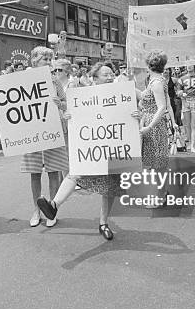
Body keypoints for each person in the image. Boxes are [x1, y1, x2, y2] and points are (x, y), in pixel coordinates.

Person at [37, 63, 142, 240]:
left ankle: (103, 223)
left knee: (109, 187)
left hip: (113, 148)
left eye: (111, 74)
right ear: (94, 78)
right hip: (91, 147)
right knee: (76, 173)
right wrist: (67, 114)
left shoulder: (121, 94)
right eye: (105, 75)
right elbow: (72, 113)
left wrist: (136, 116)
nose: (109, 77)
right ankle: (53, 206)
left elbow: (136, 110)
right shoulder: (83, 97)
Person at [21, 47, 68, 228]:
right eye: (45, 59)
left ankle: (51, 209)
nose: (49, 62)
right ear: (34, 61)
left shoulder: (54, 80)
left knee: (53, 170)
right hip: (32, 131)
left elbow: (65, 103)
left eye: (50, 59)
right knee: (34, 172)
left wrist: (60, 103)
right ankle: (36, 210)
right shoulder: (22, 80)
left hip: (52, 129)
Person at [140, 52, 177, 203]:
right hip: (153, 122)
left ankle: (160, 195)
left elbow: (162, 107)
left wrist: (149, 126)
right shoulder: (159, 80)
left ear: (149, 65)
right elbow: (166, 104)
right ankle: (161, 192)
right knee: (155, 162)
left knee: (157, 162)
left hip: (153, 124)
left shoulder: (156, 83)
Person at [179, 64, 195, 152]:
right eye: (187, 65)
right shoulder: (182, 78)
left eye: (191, 65)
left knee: (194, 124)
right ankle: (190, 142)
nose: (189, 66)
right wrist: (181, 93)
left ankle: (192, 144)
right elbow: (178, 90)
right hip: (185, 100)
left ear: (194, 66)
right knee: (187, 123)